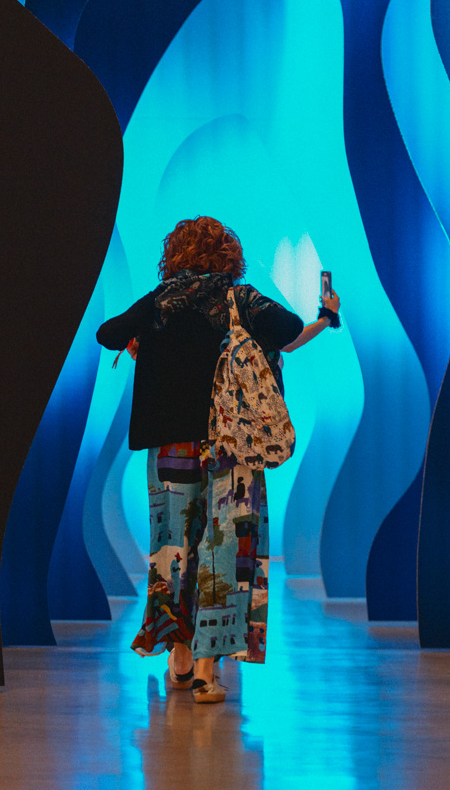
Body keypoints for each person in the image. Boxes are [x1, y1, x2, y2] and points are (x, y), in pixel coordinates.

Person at [96, 216, 340, 703]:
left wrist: (146, 339)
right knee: (223, 549)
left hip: (170, 446)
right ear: (229, 256)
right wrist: (319, 319)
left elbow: (108, 333)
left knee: (172, 549)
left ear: (173, 257)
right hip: (232, 446)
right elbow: (287, 329)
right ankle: (208, 671)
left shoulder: (158, 303)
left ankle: (179, 657)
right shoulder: (239, 299)